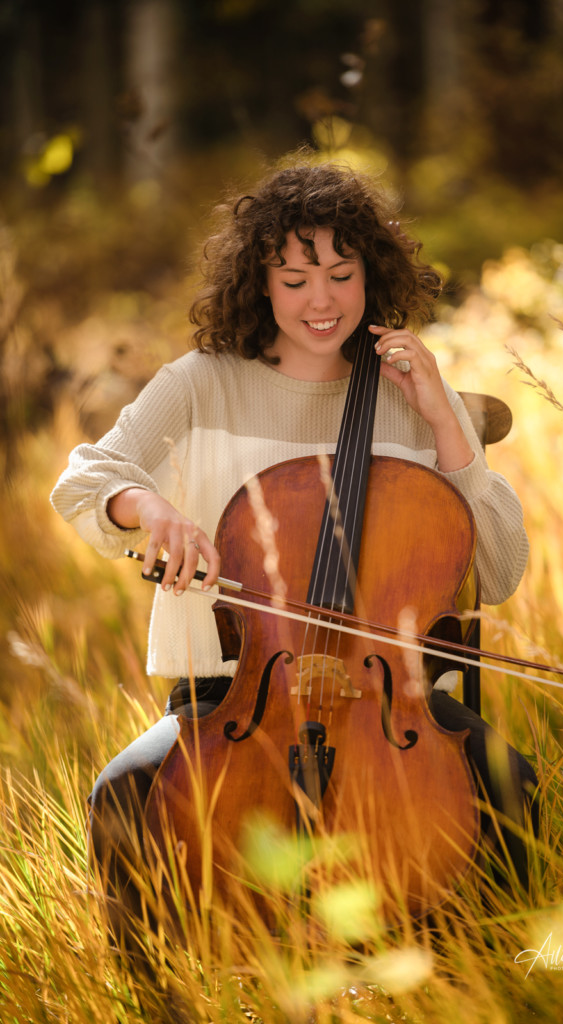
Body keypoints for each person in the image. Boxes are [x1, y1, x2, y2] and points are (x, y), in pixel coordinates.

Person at [51, 161, 536, 951]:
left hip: (388, 703)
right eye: (296, 276)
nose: (322, 301)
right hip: (230, 697)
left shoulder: (406, 396)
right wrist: (152, 509)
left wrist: (446, 423)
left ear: (371, 278)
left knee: (513, 789)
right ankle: (159, 995)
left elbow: (503, 569)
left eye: (342, 275)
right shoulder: (203, 384)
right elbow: (87, 476)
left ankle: (489, 979)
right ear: (260, 282)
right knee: (120, 795)